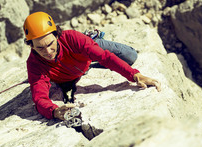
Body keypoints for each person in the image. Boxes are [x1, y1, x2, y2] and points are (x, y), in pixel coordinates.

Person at [23, 11, 161, 121]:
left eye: (50, 44)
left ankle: (92, 40)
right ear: (31, 46)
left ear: (57, 35)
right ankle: (88, 67)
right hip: (71, 75)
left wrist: (135, 75)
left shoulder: (71, 38)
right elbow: (39, 98)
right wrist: (54, 111)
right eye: (40, 48)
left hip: (84, 53)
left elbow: (105, 57)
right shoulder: (35, 64)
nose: (47, 52)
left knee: (130, 56)